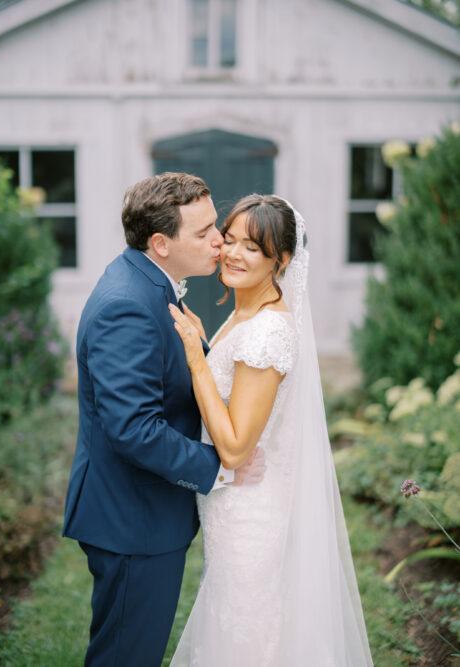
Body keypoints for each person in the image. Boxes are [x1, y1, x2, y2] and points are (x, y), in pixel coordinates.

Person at [62, 173, 265, 667]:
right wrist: (220, 466)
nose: (219, 240)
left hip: (141, 513)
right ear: (161, 243)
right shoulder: (127, 306)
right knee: (126, 656)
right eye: (204, 233)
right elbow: (133, 428)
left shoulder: (152, 283)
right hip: (131, 520)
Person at [169, 195, 373, 666]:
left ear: (280, 260)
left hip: (250, 510)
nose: (234, 254)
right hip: (231, 504)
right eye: (231, 239)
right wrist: (205, 343)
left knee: (249, 627)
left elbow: (238, 447)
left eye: (253, 248)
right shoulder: (245, 313)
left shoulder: (268, 330)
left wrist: (197, 360)